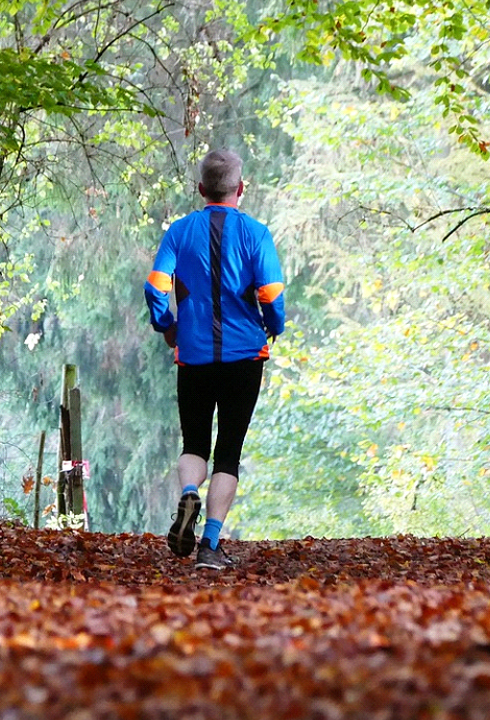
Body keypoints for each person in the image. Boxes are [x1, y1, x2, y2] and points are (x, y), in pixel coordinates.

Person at [143, 149, 286, 571]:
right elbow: (272, 294)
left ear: (201, 189)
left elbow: (155, 286)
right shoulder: (257, 234)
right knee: (228, 453)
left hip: (194, 355)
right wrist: (273, 324)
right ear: (240, 189)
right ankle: (209, 545)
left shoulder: (178, 232)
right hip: (245, 355)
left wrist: (165, 324)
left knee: (194, 444)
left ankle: (189, 491)